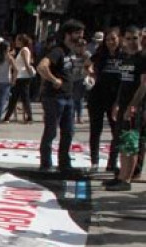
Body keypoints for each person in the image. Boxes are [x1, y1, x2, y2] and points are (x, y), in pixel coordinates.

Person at [38, 20, 87, 172]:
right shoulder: (57, 50)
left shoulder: (71, 52)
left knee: (68, 131)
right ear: (68, 34)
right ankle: (46, 163)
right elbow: (42, 66)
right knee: (51, 130)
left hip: (68, 97)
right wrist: (53, 80)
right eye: (77, 33)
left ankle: (64, 162)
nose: (80, 36)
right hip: (54, 97)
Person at [104, 26, 145, 191]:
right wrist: (117, 103)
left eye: (135, 38)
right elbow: (123, 83)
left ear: (140, 37)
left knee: (130, 142)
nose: (132, 42)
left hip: (136, 107)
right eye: (128, 38)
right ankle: (121, 175)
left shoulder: (143, 57)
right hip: (123, 104)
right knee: (122, 141)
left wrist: (133, 105)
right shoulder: (126, 57)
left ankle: (127, 179)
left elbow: (144, 85)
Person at [88, 29, 124, 172]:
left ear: (119, 39)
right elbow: (88, 63)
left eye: (113, 39)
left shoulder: (124, 55)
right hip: (98, 95)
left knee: (116, 131)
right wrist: (91, 72)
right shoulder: (101, 53)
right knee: (96, 130)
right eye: (108, 40)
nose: (110, 42)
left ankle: (112, 162)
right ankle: (94, 162)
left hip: (115, 97)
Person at [3, 34, 36, 124]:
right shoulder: (23, 50)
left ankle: (29, 117)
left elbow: (26, 63)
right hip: (21, 76)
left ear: (21, 41)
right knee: (17, 97)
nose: (15, 42)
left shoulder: (24, 50)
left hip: (23, 76)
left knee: (21, 97)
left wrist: (30, 72)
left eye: (17, 40)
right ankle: (8, 116)